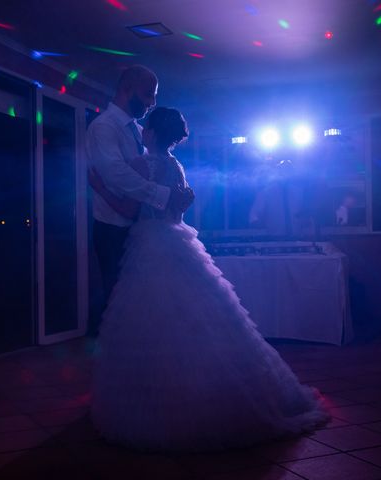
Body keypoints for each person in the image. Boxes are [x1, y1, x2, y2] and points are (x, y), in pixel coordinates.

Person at [89, 107, 329, 452]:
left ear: (152, 134)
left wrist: (99, 186)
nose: (141, 133)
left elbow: (127, 210)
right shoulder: (177, 166)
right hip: (177, 240)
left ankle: (164, 406)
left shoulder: (145, 164)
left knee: (152, 323)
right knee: (196, 318)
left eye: (146, 129)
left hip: (150, 244)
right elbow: (180, 208)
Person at [86, 65, 194, 335]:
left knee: (140, 304)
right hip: (113, 227)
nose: (152, 102)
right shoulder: (103, 127)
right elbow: (117, 175)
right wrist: (165, 196)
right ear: (126, 89)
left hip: (138, 228)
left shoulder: (136, 129)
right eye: (148, 95)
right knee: (118, 304)